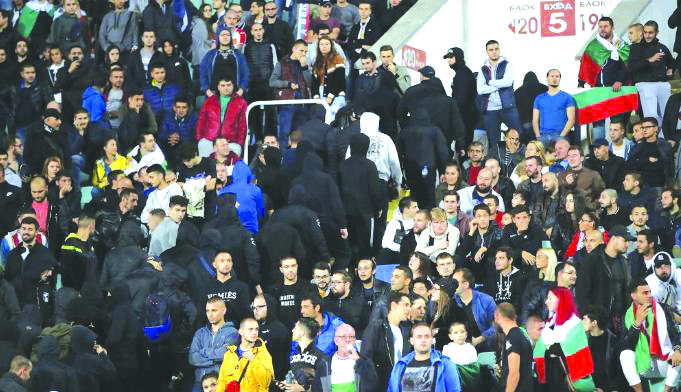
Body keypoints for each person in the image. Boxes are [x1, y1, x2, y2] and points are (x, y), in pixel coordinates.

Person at [621, 280, 681, 392]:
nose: (649, 295)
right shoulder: (626, 315)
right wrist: (637, 323)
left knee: (679, 353)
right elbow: (626, 345)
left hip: (663, 360)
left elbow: (675, 333)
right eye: (645, 293)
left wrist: (678, 350)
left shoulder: (662, 309)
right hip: (643, 364)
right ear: (633, 296)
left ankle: (666, 390)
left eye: (650, 292)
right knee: (625, 355)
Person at [534, 288, 595, 391]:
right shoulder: (550, 323)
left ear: (561, 300)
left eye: (550, 298)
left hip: (565, 377)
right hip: (551, 373)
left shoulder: (575, 324)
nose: (546, 301)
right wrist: (551, 347)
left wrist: (550, 347)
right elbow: (549, 348)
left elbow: (560, 349)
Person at [340, 133, 382, 261]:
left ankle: (351, 272)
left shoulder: (342, 165)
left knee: (349, 245)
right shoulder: (370, 165)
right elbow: (374, 191)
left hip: (345, 212)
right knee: (364, 246)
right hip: (365, 212)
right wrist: (377, 208)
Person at [576, 226, 631, 324]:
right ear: (613, 239)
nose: (628, 244)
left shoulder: (624, 262)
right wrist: (589, 317)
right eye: (625, 240)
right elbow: (582, 293)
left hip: (619, 321)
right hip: (596, 322)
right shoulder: (593, 260)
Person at [476, 40, 522, 156]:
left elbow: (507, 82)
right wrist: (498, 85)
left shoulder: (507, 64)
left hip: (508, 107)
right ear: (487, 52)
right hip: (490, 109)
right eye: (491, 50)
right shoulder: (483, 69)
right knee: (494, 142)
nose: (494, 52)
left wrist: (490, 82)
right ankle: (498, 167)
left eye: (496, 49)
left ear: (499, 50)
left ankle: (520, 163)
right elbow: (480, 90)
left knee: (518, 136)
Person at [387, 323, 461, 392]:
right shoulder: (400, 365)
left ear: (432, 339)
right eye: (419, 337)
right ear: (411, 340)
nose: (423, 340)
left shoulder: (445, 364)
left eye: (427, 336)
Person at [361, 291, 412, 392]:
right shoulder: (376, 326)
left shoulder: (407, 330)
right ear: (393, 305)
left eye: (410, 305)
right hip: (380, 385)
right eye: (406, 305)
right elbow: (366, 357)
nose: (409, 309)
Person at [399, 108, 449, 210]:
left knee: (414, 195)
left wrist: (401, 174)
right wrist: (442, 171)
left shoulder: (405, 131)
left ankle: (416, 219)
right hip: (428, 168)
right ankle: (428, 219)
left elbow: (399, 153)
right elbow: (442, 152)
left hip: (410, 169)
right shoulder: (435, 130)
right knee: (429, 195)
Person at [189, 296, 239, 392]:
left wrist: (203, 352)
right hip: (199, 382)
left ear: (223, 311)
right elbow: (192, 358)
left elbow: (224, 355)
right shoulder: (200, 333)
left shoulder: (232, 332)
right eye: (207, 311)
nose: (210, 315)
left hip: (220, 382)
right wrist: (215, 359)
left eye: (214, 310)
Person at [629, 20, 674, 125]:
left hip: (662, 84)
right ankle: (652, 140)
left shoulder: (662, 47)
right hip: (645, 84)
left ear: (656, 33)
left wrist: (670, 68)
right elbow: (632, 66)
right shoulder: (635, 48)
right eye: (645, 32)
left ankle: (665, 139)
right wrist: (649, 60)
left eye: (650, 33)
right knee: (651, 117)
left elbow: (672, 62)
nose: (647, 35)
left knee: (668, 115)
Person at [215, 318, 274, 392]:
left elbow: (266, 382)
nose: (254, 332)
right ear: (241, 331)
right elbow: (222, 382)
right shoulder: (230, 354)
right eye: (250, 329)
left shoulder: (262, 353)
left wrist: (254, 360)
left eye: (256, 329)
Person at [196, 77, 248, 157]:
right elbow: (201, 121)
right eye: (223, 85)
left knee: (231, 162)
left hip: (230, 141)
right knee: (203, 149)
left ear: (233, 86)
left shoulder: (241, 102)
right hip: (209, 139)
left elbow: (243, 126)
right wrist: (200, 138)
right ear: (218, 87)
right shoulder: (209, 101)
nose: (226, 88)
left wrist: (239, 143)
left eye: (228, 85)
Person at [319, 323, 378, 392]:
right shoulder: (325, 363)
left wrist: (359, 361)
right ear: (336, 341)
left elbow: (373, 386)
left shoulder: (364, 361)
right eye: (343, 336)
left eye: (351, 337)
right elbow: (317, 388)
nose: (347, 340)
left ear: (355, 340)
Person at [281, 317, 328, 392]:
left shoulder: (322, 358)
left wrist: (303, 389)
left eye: (295, 328)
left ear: (302, 332)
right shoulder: (292, 355)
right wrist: (286, 384)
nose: (292, 330)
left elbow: (326, 388)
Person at [199, 27, 249, 98]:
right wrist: (208, 91)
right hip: (213, 95)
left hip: (235, 96)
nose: (225, 37)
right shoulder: (210, 55)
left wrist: (240, 91)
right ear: (218, 38)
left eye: (227, 35)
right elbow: (203, 74)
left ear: (231, 38)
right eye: (222, 35)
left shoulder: (238, 55)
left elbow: (246, 74)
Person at [267, 256, 315, 330]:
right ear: (281, 269)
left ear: (297, 267)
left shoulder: (309, 287)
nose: (290, 270)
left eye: (293, 266)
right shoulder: (274, 290)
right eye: (286, 267)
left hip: (304, 331)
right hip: (282, 333)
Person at [452, 268, 496, 347]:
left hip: (484, 342)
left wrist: (481, 338)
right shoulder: (451, 301)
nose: (452, 285)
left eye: (455, 282)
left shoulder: (486, 300)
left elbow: (496, 325)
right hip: (458, 344)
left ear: (465, 284)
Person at [626, 117, 673, 189]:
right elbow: (629, 165)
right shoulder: (637, 147)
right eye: (643, 128)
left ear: (655, 129)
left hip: (661, 186)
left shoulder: (665, 146)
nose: (644, 130)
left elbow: (669, 168)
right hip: (641, 187)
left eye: (647, 127)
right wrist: (647, 160)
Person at [532, 69, 575, 144]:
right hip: (543, 136)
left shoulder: (567, 97)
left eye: (557, 76)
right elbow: (535, 120)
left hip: (560, 135)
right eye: (552, 76)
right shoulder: (539, 98)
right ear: (547, 78)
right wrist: (538, 136)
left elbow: (571, 120)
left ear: (560, 79)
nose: (554, 78)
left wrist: (561, 137)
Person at [558, 145, 605, 210]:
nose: (571, 159)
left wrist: (592, 207)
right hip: (567, 214)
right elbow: (557, 195)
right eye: (569, 156)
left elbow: (601, 195)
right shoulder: (562, 175)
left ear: (582, 158)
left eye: (574, 155)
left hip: (586, 214)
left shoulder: (593, 175)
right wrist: (565, 183)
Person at [381, 197, 417, 264]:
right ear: (406, 210)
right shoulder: (394, 223)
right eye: (414, 207)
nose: (418, 209)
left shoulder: (419, 222)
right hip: (397, 256)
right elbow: (385, 243)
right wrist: (403, 250)